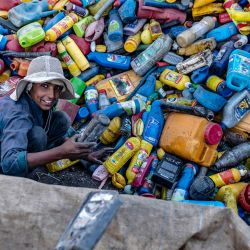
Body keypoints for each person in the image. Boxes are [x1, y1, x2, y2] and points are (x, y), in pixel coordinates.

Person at [0, 56, 111, 177]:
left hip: (14, 143)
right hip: (5, 161)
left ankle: (35, 158)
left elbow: (56, 136)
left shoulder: (38, 100)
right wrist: (61, 152)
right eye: (45, 86)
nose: (52, 95)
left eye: (57, 88)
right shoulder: (17, 113)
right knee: (38, 135)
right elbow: (9, 163)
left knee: (61, 119)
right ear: (30, 86)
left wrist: (83, 154)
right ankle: (21, 179)